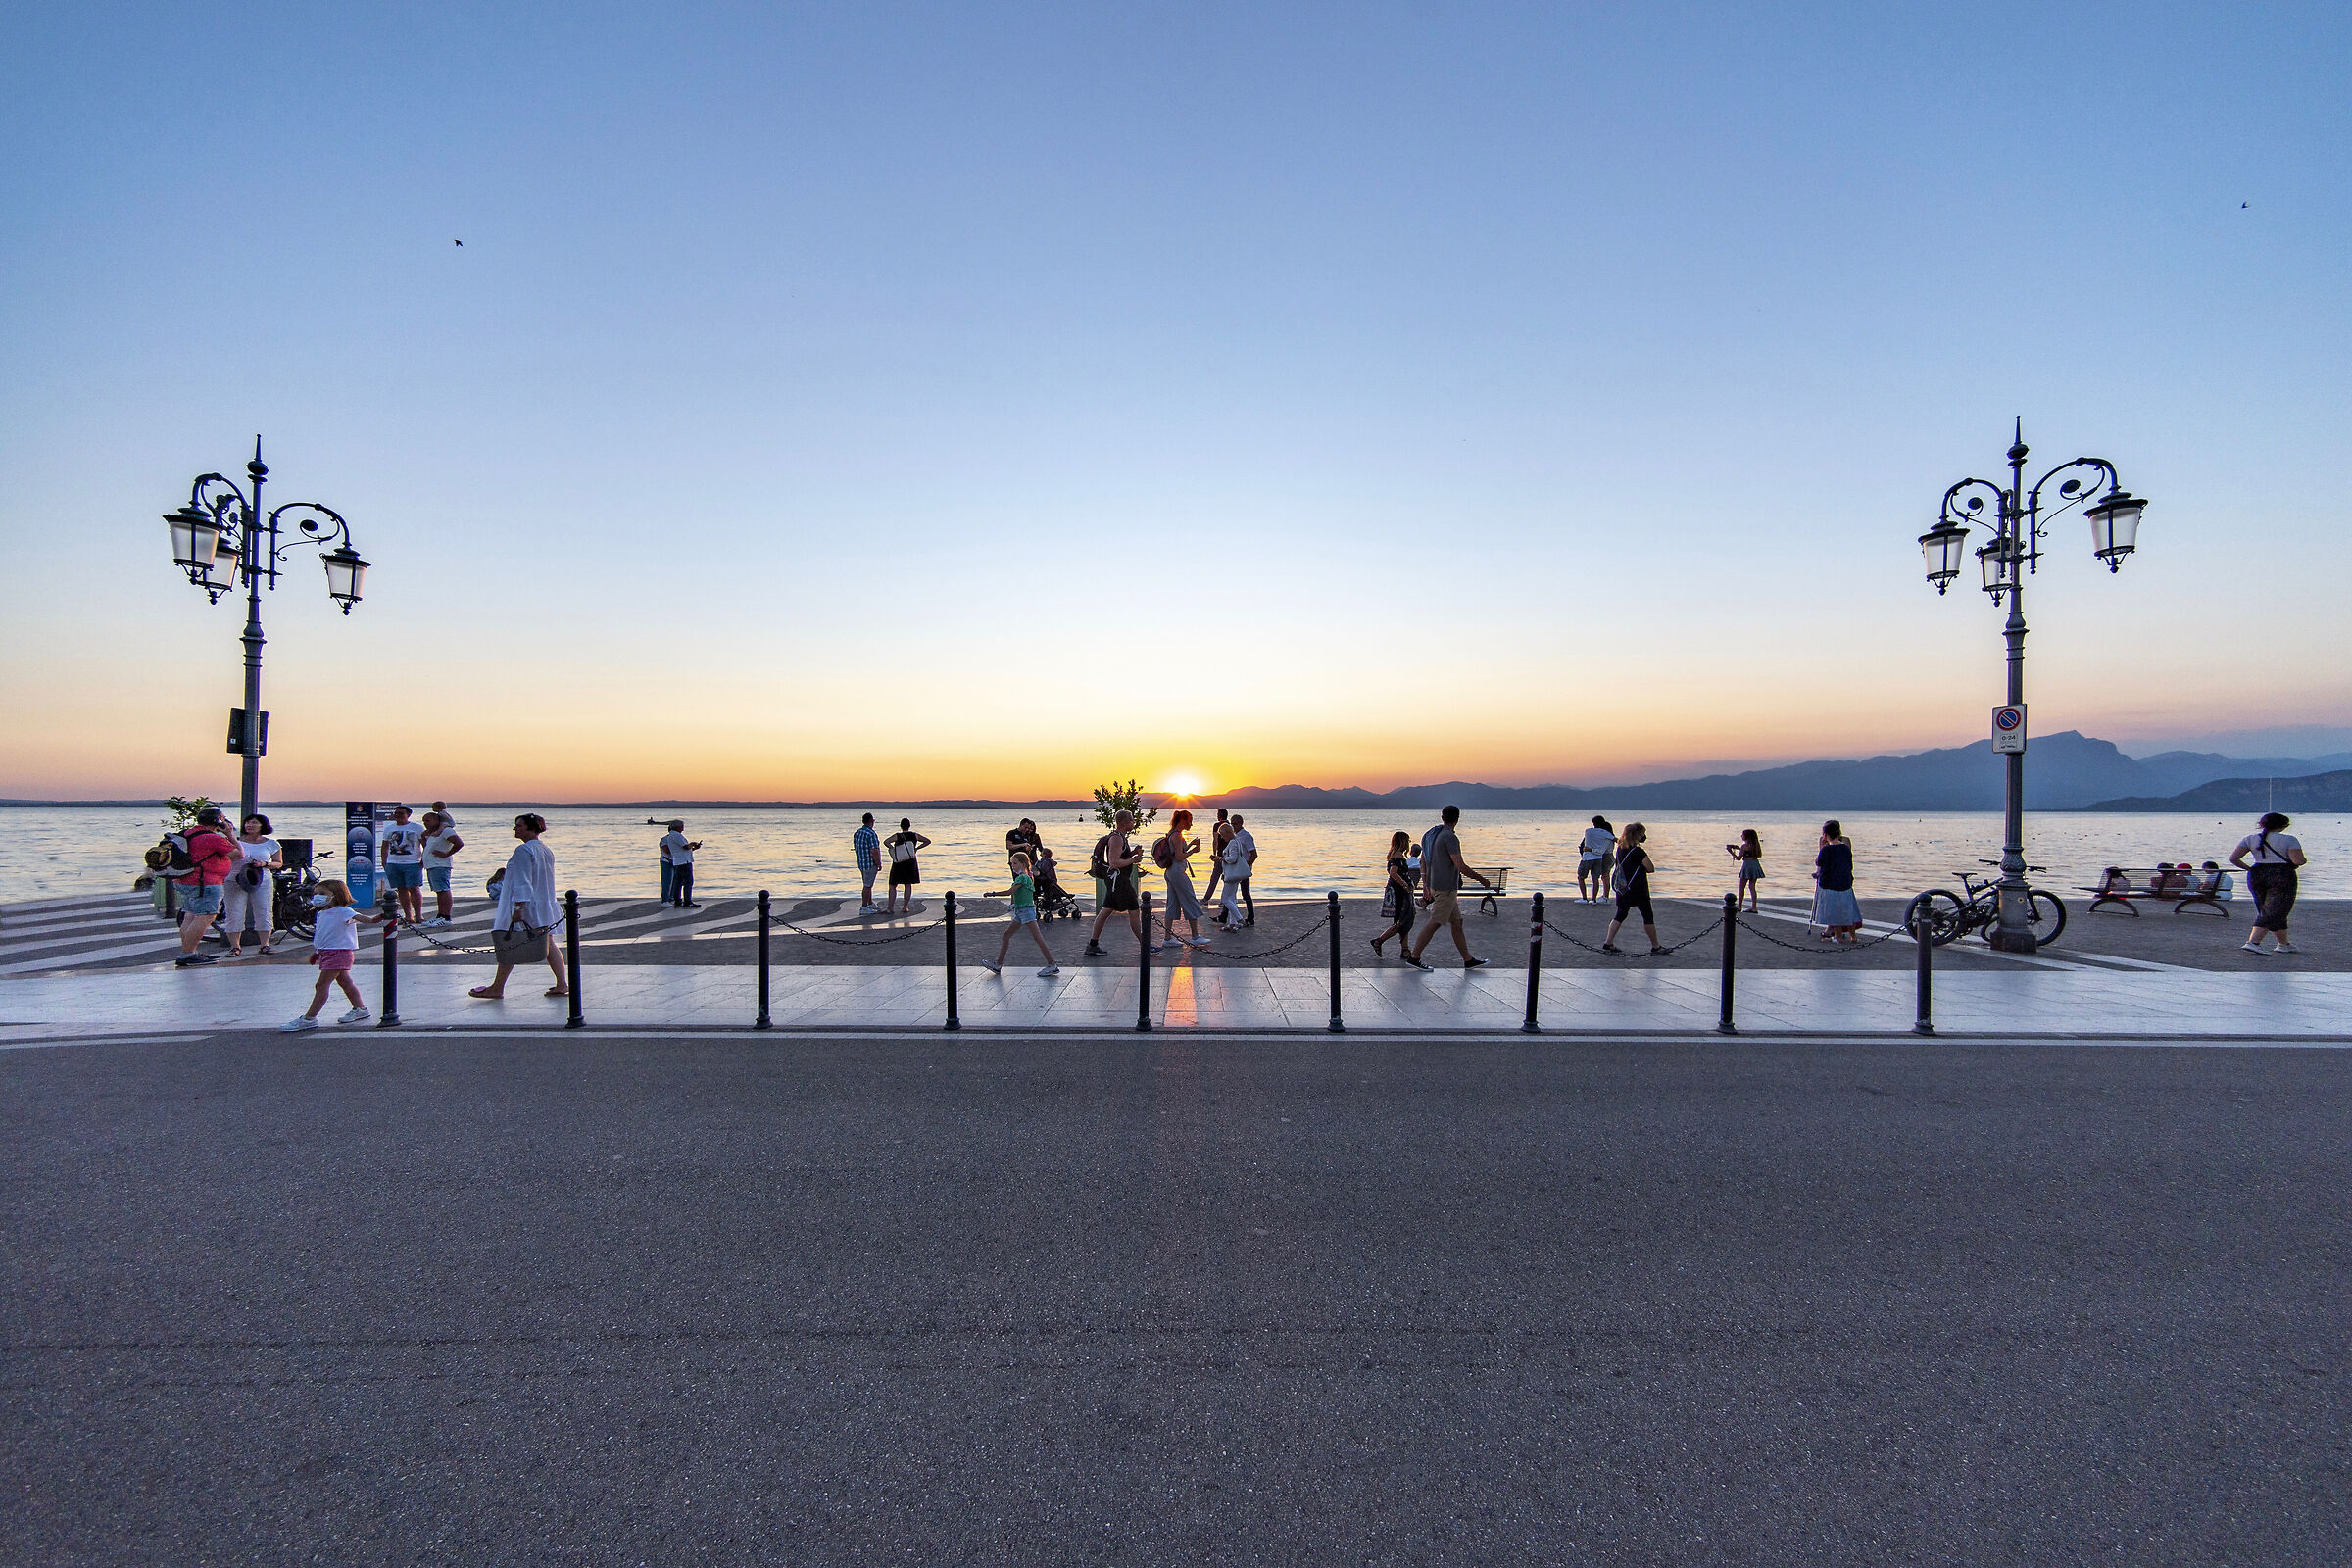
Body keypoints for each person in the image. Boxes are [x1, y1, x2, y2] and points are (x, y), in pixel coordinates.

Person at [469, 814, 569, 1000]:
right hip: (543, 904)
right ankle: (562, 983)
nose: (515, 829)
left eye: (519, 826)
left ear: (532, 828)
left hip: (528, 905)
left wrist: (518, 907)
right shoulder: (545, 850)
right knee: (548, 943)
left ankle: (497, 987)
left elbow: (523, 881)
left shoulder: (524, 850)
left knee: (511, 945)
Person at [279, 878, 385, 1031]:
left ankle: (309, 1018)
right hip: (327, 952)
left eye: (323, 893)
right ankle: (360, 1008)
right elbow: (323, 934)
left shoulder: (344, 911)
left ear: (336, 895)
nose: (317, 896)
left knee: (321, 985)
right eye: (316, 893)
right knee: (345, 982)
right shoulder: (322, 913)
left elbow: (363, 918)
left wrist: (378, 918)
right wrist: (317, 952)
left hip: (339, 953)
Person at [1406, 806, 1493, 969]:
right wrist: (1481, 879)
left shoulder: (1432, 835)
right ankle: (1414, 957)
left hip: (1437, 887)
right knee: (1435, 922)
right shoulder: (1450, 837)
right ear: (1457, 819)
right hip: (1445, 889)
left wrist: (1425, 884)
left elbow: (1423, 860)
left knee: (1457, 923)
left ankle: (1468, 960)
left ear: (1442, 817)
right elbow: (1460, 866)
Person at [2230, 811, 2306, 955]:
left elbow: (2234, 858)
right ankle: (2253, 942)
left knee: (2269, 908)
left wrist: (2250, 869)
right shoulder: (2289, 840)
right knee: (2275, 909)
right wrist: (2303, 860)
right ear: (2283, 826)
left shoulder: (2250, 839)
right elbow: (2298, 861)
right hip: (2282, 875)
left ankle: (2284, 944)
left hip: (2257, 873)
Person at [172, 808, 238, 967]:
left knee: (190, 915)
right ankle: (187, 954)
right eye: (222, 819)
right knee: (206, 916)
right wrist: (230, 835)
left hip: (185, 881)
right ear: (216, 821)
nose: (225, 822)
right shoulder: (213, 838)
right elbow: (238, 853)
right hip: (206, 882)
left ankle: (189, 951)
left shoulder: (187, 833)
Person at [982, 851, 1060, 977]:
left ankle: (1052, 965)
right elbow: (1017, 893)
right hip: (1020, 911)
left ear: (1023, 864)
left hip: (1026, 911)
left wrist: (992, 894)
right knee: (1006, 935)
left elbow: (1010, 891)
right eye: (1012, 863)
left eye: (1015, 863)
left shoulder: (1023, 877)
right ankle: (998, 964)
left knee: (1037, 937)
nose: (1012, 866)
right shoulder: (1028, 875)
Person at [220, 813, 284, 958]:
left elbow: (278, 863)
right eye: (248, 823)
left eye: (254, 823)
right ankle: (235, 946)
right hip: (236, 878)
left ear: (262, 826)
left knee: (264, 910)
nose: (250, 825)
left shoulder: (271, 843)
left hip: (261, 879)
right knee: (234, 911)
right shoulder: (235, 841)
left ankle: (264, 944)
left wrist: (264, 864)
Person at [1085, 809, 1146, 957]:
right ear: (1124, 822)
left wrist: (1131, 854)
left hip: (1114, 881)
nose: (1133, 822)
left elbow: (1118, 857)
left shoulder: (1119, 837)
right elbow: (1114, 862)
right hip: (1119, 882)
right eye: (1131, 820)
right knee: (1134, 911)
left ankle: (1092, 945)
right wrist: (1133, 860)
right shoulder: (1117, 839)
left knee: (1105, 911)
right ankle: (1145, 945)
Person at [1600, 822, 1665, 956]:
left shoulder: (1620, 849)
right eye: (1642, 834)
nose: (1644, 836)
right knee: (1647, 916)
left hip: (1623, 888)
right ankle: (1656, 946)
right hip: (1638, 889)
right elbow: (1650, 868)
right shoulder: (1638, 852)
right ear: (1637, 835)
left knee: (1620, 914)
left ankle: (1608, 942)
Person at [1154, 808, 1208, 951]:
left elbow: (1175, 853)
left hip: (1170, 872)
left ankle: (1167, 938)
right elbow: (1179, 856)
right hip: (1178, 872)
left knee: (1172, 903)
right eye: (1190, 821)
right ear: (1183, 821)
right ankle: (1195, 936)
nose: (1191, 824)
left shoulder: (1172, 834)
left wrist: (1190, 844)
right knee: (1190, 900)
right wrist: (1192, 851)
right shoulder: (1177, 836)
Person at [1811, 819, 1862, 944]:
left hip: (1830, 884)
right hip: (1845, 883)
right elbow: (1850, 865)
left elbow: (1819, 862)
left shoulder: (1826, 850)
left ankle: (1838, 936)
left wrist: (1822, 848)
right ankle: (1853, 936)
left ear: (1825, 835)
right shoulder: (1845, 848)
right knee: (1848, 909)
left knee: (1834, 911)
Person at [1370, 830, 1417, 956]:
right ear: (1403, 842)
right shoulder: (1398, 856)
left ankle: (1405, 949)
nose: (1408, 843)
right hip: (1400, 893)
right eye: (1408, 841)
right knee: (1404, 920)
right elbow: (1393, 873)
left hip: (1399, 892)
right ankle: (1379, 940)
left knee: (1403, 920)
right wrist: (1406, 885)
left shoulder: (1394, 855)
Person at [381, 806, 427, 926]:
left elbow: (425, 845)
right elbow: (385, 846)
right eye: (395, 813)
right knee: (401, 889)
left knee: (414, 889)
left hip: (412, 863)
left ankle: (418, 915)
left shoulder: (417, 828)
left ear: (408, 815)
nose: (397, 815)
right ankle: (408, 915)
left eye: (401, 813)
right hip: (393, 863)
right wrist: (384, 861)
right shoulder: (389, 829)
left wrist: (424, 859)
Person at [421, 811, 464, 925]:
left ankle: (446, 916)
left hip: (440, 865)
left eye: (428, 821)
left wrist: (447, 854)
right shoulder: (434, 834)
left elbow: (459, 843)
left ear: (437, 821)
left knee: (443, 890)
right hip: (432, 865)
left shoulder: (446, 831)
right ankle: (440, 915)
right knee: (438, 891)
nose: (425, 823)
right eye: (424, 821)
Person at [1218, 813, 1258, 930]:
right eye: (1232, 824)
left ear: (1241, 824)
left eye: (1235, 824)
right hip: (1233, 871)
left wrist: (1221, 858)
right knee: (1232, 897)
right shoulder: (1235, 838)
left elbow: (1253, 854)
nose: (1233, 826)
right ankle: (1230, 921)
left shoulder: (1245, 837)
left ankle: (1244, 919)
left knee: (1239, 895)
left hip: (1240, 870)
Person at [884, 818, 930, 917]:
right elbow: (927, 841)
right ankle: (905, 907)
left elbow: (886, 842)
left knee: (893, 885)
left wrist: (893, 849)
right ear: (909, 826)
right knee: (908, 885)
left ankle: (890, 907)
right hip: (910, 861)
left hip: (899, 862)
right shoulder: (914, 835)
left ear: (901, 826)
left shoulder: (898, 835)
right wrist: (916, 848)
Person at [661, 819, 703, 907]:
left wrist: (693, 848)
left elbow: (682, 849)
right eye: (682, 827)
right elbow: (685, 846)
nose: (683, 829)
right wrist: (692, 844)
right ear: (677, 827)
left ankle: (678, 900)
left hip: (678, 861)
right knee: (688, 881)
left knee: (678, 882)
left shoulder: (672, 836)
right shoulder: (677, 835)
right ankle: (687, 901)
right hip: (684, 861)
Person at [1578, 815, 1615, 904]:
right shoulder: (1607, 834)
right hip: (1605, 855)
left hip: (1604, 855)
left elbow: (1601, 850)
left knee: (1604, 876)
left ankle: (1605, 897)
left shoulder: (1602, 835)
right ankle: (1601, 897)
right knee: (1601, 877)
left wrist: (1589, 850)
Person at [1726, 829, 1764, 913]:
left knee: (1742, 887)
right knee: (1752, 887)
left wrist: (1731, 852)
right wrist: (1738, 848)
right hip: (1755, 864)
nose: (1742, 836)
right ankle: (1754, 907)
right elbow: (1750, 853)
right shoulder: (1756, 845)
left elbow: (1739, 858)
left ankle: (1739, 906)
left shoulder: (1744, 846)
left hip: (1747, 865)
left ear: (1746, 836)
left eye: (1743, 835)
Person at [1201, 808, 1235, 907]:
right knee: (1226, 878)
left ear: (1219, 816)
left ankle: (1206, 898)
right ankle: (1225, 899)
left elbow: (1215, 840)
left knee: (1215, 877)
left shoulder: (1217, 825)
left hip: (1220, 855)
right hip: (1228, 855)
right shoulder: (1229, 826)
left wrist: (1214, 853)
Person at [853, 813, 883, 915]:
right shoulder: (871, 834)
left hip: (861, 863)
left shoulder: (857, 833)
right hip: (870, 864)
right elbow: (874, 851)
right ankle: (864, 906)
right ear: (872, 821)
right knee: (867, 886)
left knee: (867, 884)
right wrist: (879, 863)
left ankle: (869, 903)